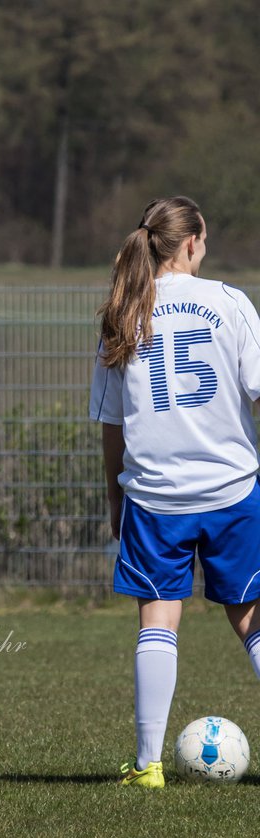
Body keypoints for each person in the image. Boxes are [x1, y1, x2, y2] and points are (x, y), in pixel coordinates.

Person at [90, 196, 260, 789]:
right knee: (251, 620)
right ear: (193, 242)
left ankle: (147, 766)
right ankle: (146, 765)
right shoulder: (231, 303)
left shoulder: (123, 310)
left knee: (158, 623)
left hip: (155, 495)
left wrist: (116, 497)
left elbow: (112, 424)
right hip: (232, 491)